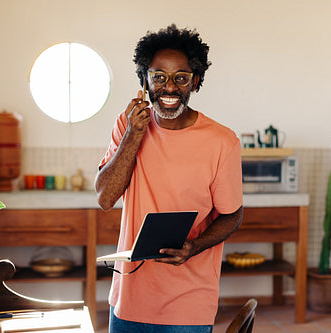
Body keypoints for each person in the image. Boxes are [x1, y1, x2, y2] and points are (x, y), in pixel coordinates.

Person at [95, 24, 244, 333]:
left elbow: (232, 215)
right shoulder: (128, 124)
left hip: (188, 303)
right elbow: (105, 198)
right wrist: (133, 135)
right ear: (145, 80)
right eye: (159, 76)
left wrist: (194, 245)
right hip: (130, 297)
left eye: (181, 77)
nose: (170, 87)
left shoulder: (222, 141)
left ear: (196, 81)